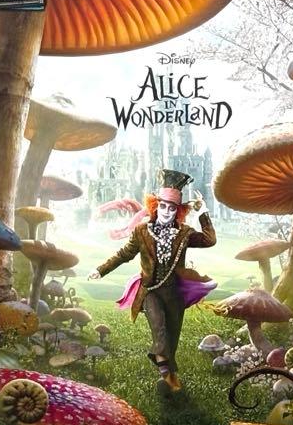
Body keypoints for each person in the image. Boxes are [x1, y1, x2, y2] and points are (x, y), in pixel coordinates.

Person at [88, 168, 216, 393]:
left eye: (172, 208)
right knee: (160, 331)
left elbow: (209, 240)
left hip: (174, 293)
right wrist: (101, 270)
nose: (167, 212)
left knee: (172, 338)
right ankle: (166, 376)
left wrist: (203, 212)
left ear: (178, 211)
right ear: (156, 206)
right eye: (163, 206)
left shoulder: (184, 233)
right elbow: (124, 254)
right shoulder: (142, 231)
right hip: (150, 292)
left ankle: (170, 376)